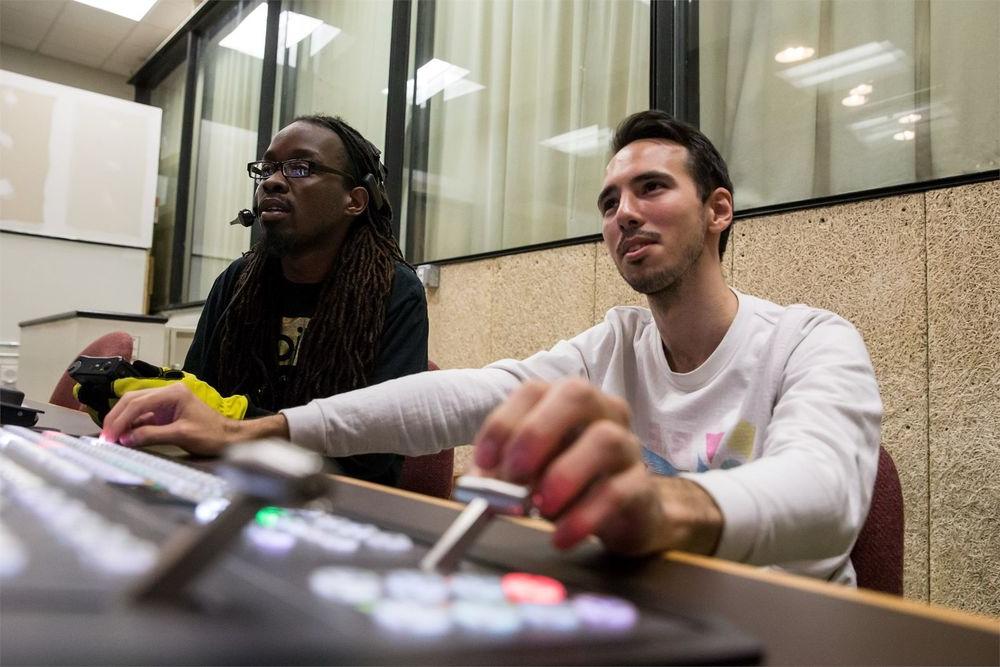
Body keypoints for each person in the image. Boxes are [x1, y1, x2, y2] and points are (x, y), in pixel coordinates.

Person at [102, 110, 881, 584]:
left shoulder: (814, 340)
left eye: (652, 188)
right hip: (653, 610)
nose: (624, 214)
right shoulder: (612, 343)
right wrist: (253, 430)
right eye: (609, 200)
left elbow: (828, 495)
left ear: (718, 210)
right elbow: (464, 393)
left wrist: (665, 505)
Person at [108, 115, 428, 487]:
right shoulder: (236, 282)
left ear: (353, 200)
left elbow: (378, 450)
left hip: (338, 499)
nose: (273, 181)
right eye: (268, 168)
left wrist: (234, 424)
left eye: (300, 167)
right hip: (227, 482)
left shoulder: (393, 290)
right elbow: (199, 397)